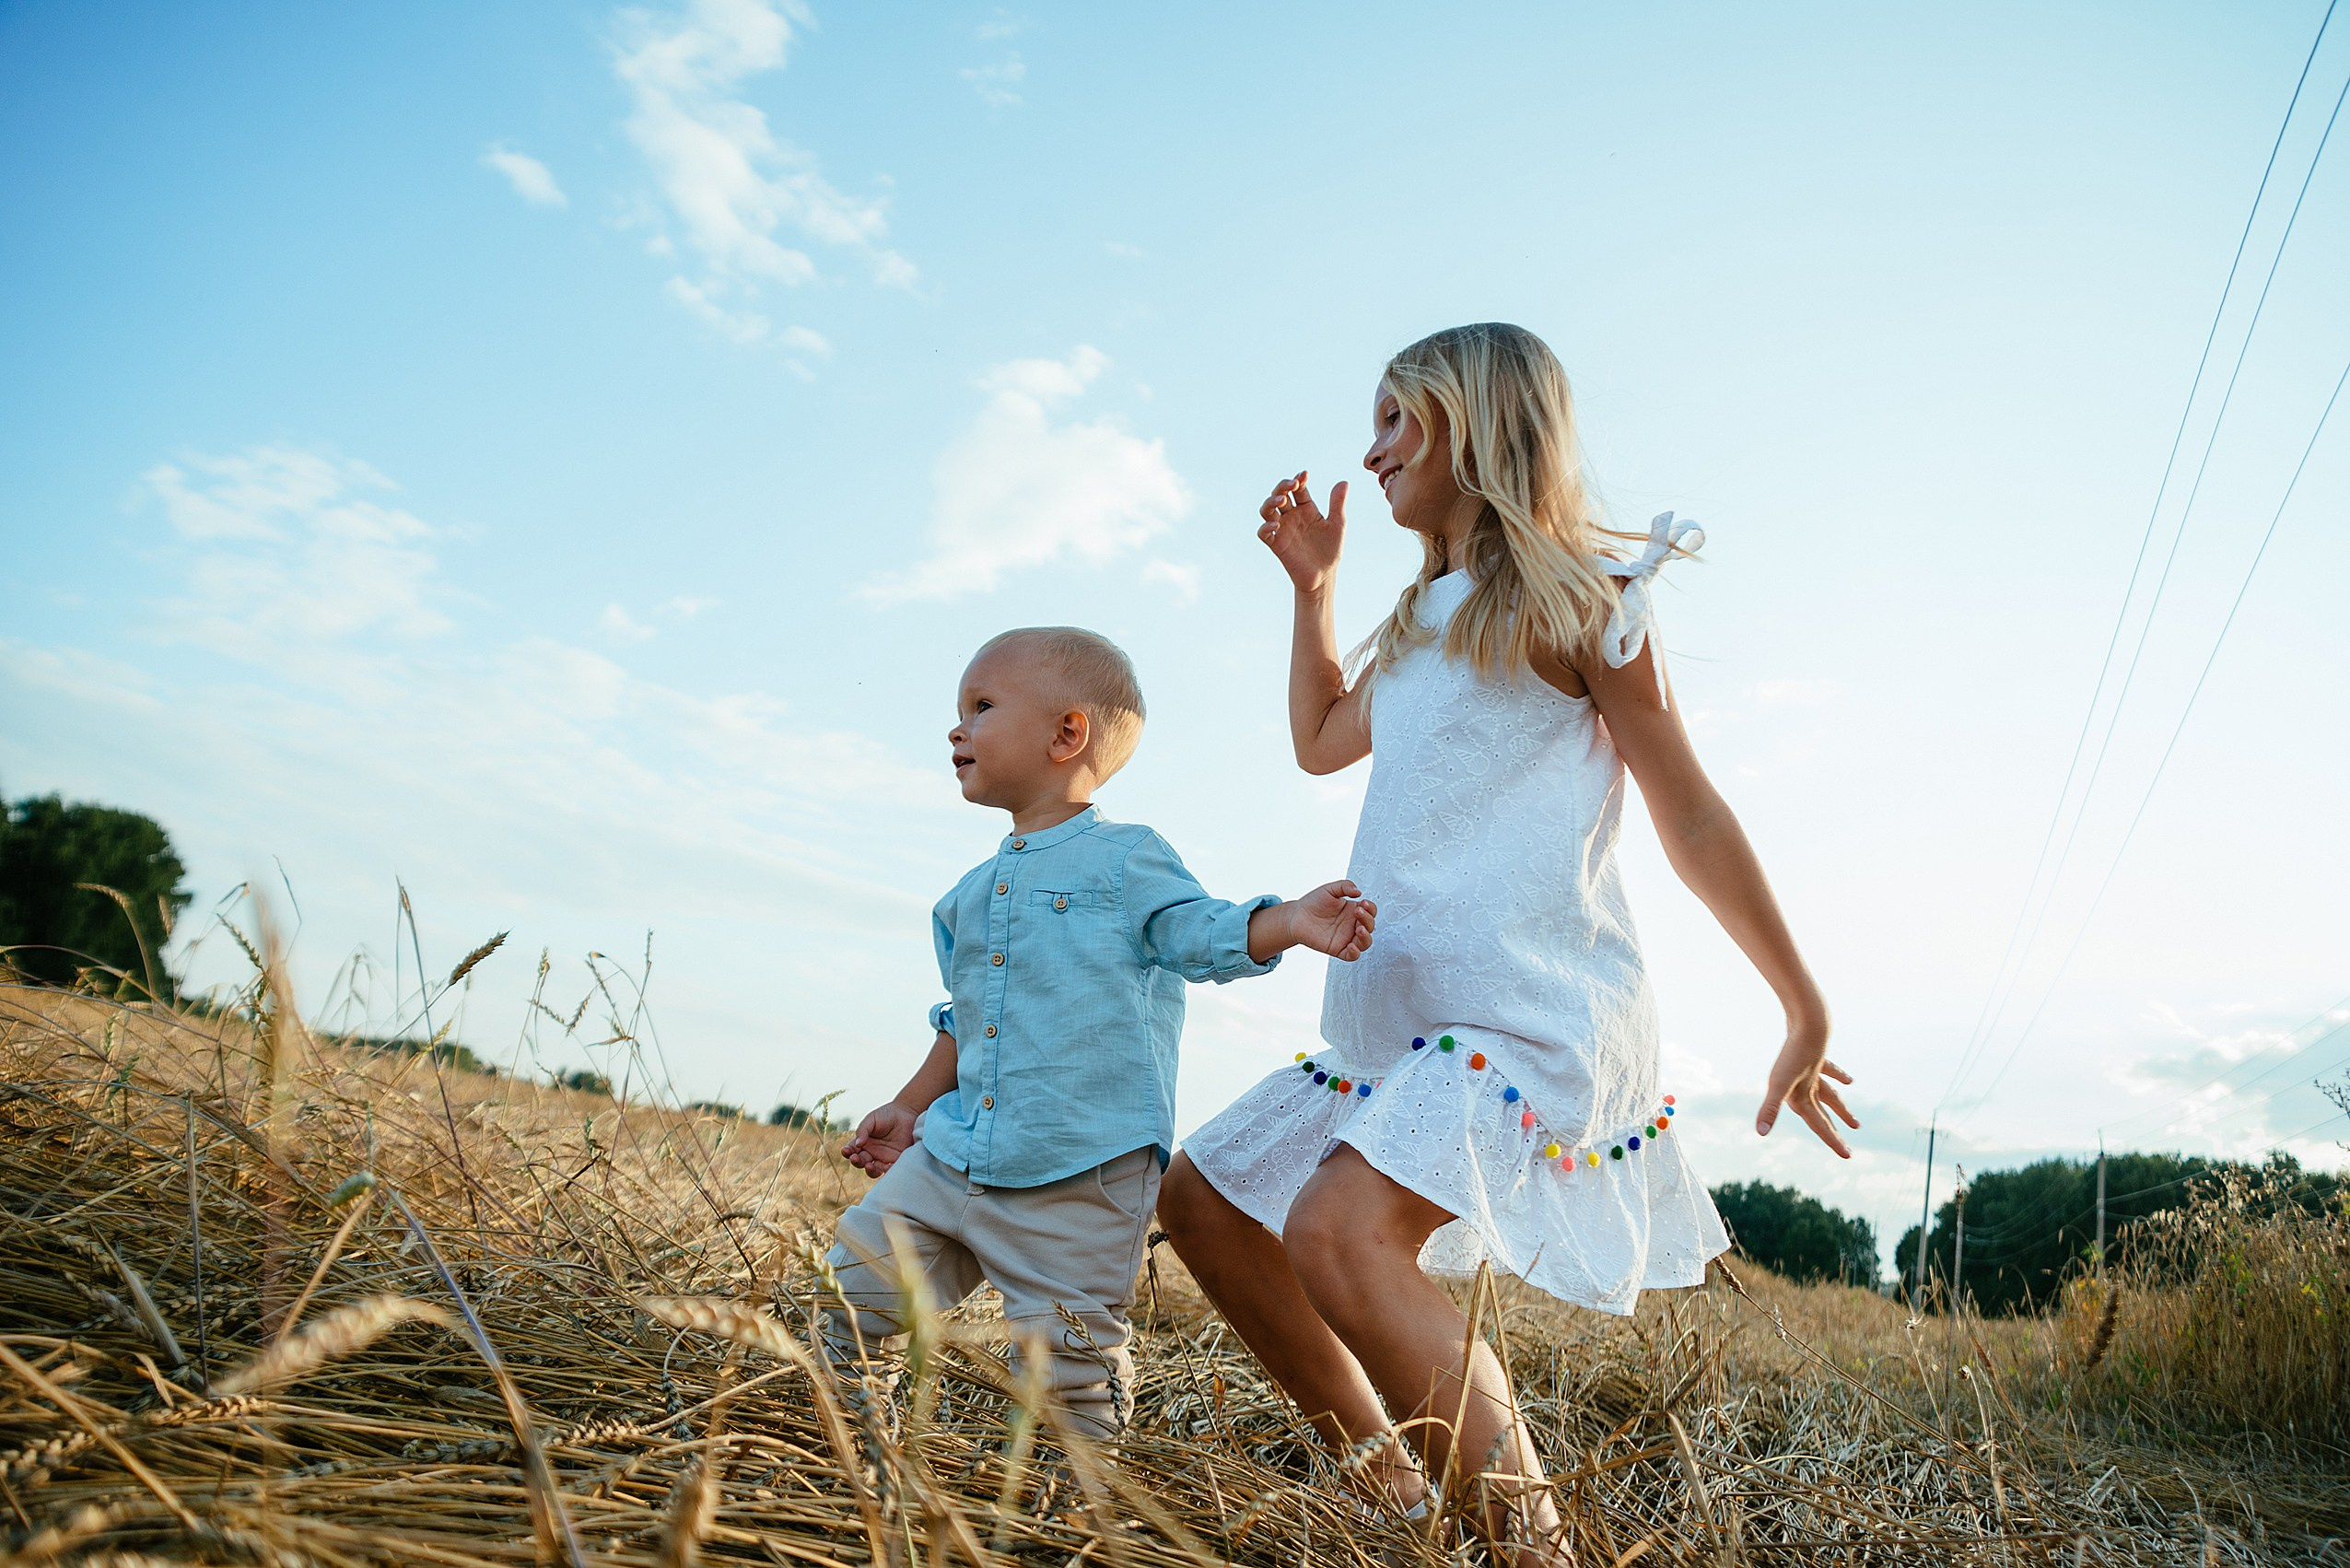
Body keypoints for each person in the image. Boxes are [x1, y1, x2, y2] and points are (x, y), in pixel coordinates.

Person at [1158, 323, 1857, 1559]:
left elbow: (1688, 810)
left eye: (1394, 419)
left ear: (1477, 425)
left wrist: (1797, 1001)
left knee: (1334, 1230)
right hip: (1398, 1019)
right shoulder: (1418, 617)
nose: (1367, 449)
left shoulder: (1579, 604)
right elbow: (1321, 736)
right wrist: (1311, 594)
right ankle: (1387, 1482)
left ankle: (1532, 1544)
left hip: (1527, 1013)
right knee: (1204, 1201)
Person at [822, 625, 1377, 1440]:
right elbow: (966, 1022)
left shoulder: (1125, 858)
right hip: (953, 1156)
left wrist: (1288, 921)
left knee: (1066, 1372)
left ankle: (1070, 1508)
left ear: (1066, 733)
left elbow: (1195, 932)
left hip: (1079, 1172)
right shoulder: (965, 897)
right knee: (851, 1293)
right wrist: (909, 1110)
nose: (956, 727)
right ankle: (838, 1445)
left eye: (980, 706)